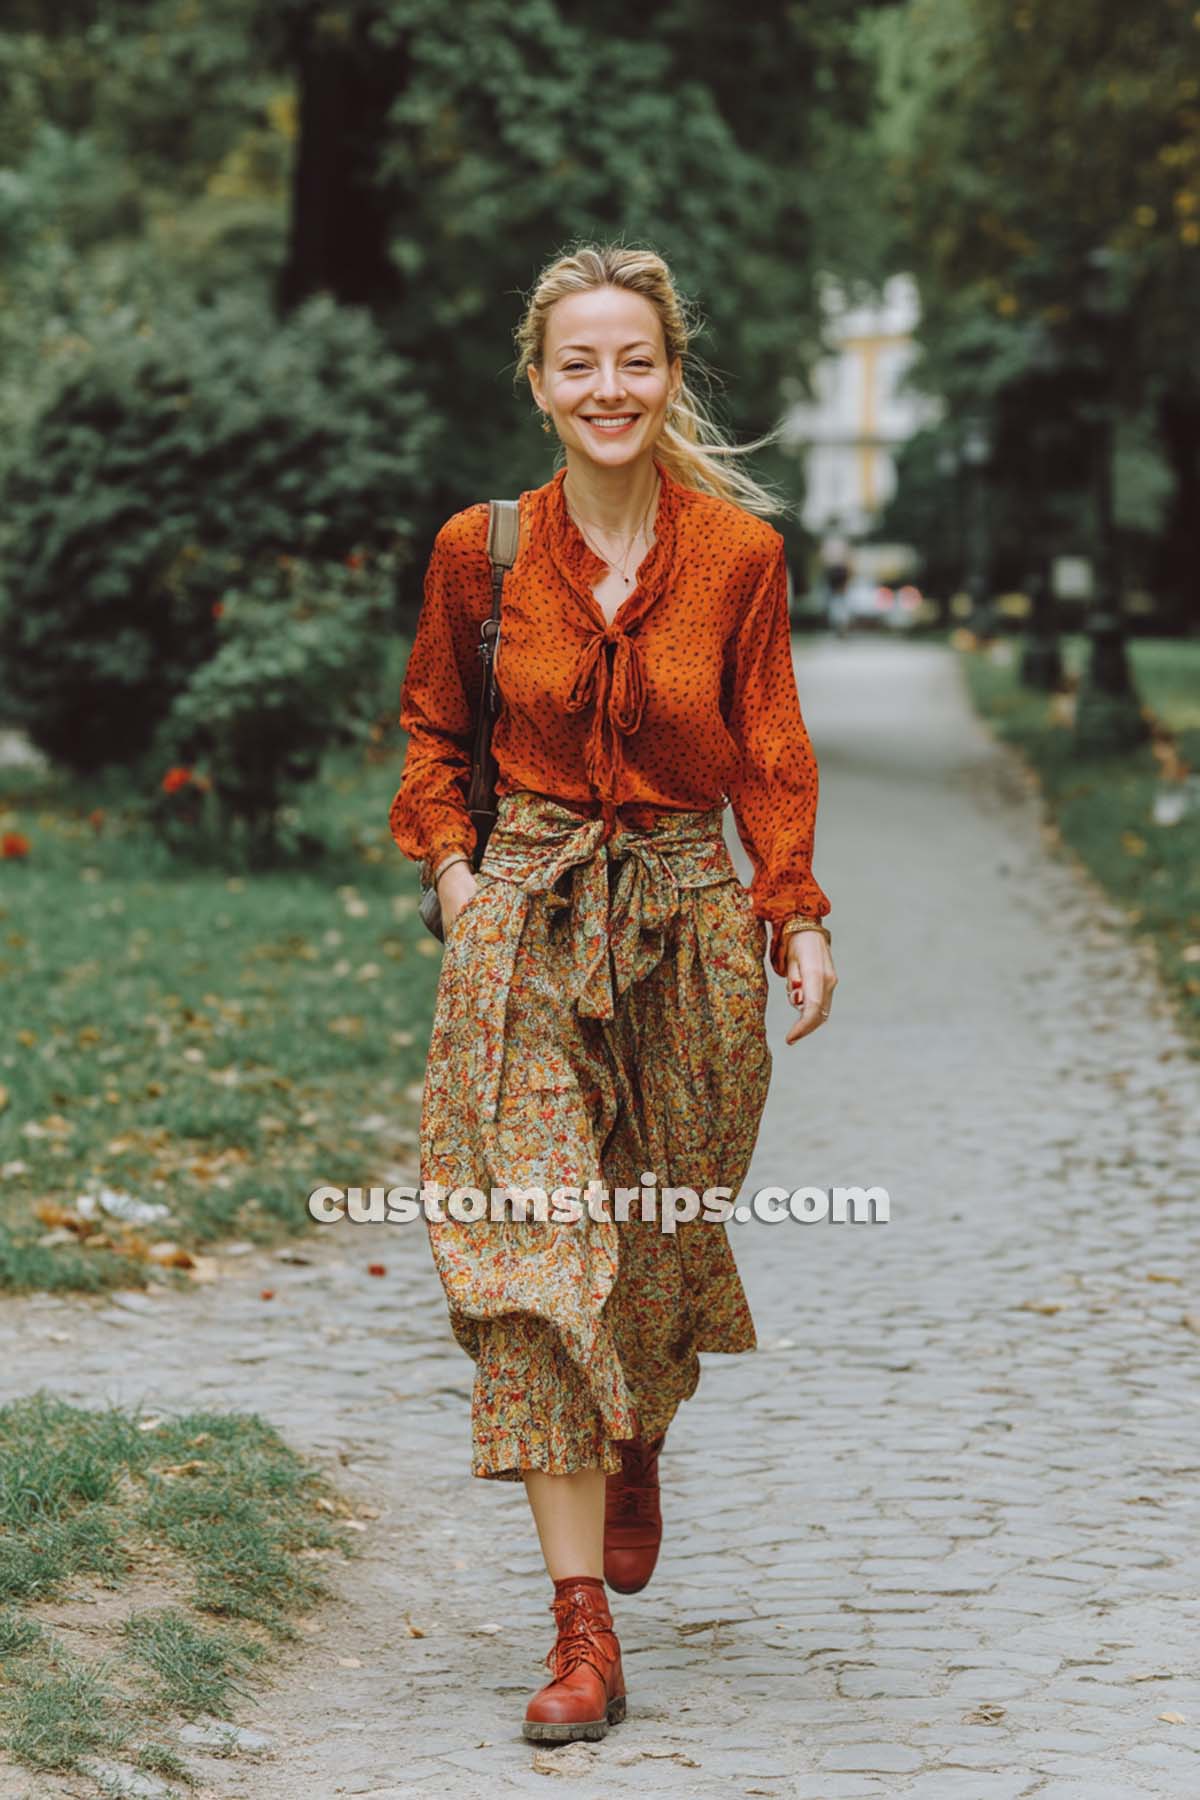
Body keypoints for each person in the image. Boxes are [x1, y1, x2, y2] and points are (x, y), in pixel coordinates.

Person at [389, 241, 836, 1746]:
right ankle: (581, 1634)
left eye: (632, 359)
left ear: (671, 373)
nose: (607, 386)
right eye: (577, 362)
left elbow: (771, 743)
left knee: (650, 1240)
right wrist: (456, 875)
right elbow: (432, 728)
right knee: (534, 1252)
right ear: (539, 381)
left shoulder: (739, 560)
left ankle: (634, 1414)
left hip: (687, 924)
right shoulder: (483, 551)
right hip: (522, 919)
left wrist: (797, 912)